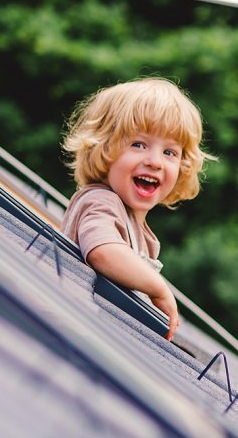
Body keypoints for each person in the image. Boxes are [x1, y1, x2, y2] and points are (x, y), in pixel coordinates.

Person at [60, 77, 212, 341]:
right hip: (71, 334)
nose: (154, 162)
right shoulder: (101, 201)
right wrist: (157, 288)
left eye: (170, 152)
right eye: (138, 145)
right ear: (103, 148)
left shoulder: (139, 229)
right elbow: (103, 251)